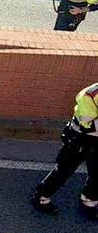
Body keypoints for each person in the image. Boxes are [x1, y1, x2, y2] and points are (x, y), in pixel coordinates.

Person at [31, 83, 98, 219]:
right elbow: (87, 125)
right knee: (64, 170)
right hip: (80, 139)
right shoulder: (91, 94)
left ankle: (88, 199)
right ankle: (41, 197)